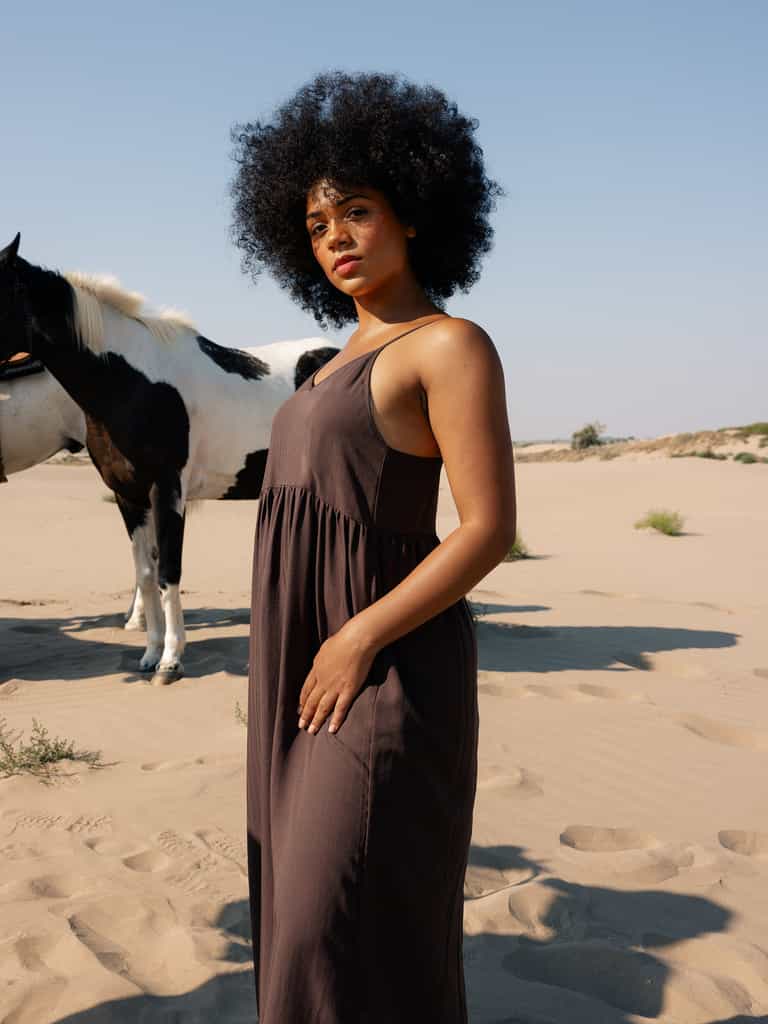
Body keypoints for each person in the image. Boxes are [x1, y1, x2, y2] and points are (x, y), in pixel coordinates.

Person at [230, 69, 516, 1023]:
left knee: (330, 919)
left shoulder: (449, 345)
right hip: (300, 668)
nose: (336, 239)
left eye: (356, 211)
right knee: (311, 915)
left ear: (416, 211)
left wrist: (356, 638)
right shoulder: (323, 369)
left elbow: (486, 528)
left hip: (388, 667)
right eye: (316, 225)